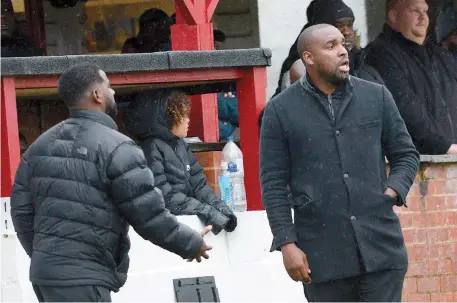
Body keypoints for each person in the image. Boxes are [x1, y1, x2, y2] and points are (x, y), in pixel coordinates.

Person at [10, 64, 212, 302]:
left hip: (46, 277)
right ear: (97, 95)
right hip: (85, 279)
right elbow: (148, 215)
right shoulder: (119, 147)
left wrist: (47, 257)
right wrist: (190, 243)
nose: (113, 92)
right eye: (108, 85)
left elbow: (21, 211)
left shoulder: (39, 146)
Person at [260, 24, 420, 302]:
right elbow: (273, 183)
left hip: (381, 250)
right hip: (322, 259)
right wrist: (286, 243)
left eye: (343, 44)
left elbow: (406, 154)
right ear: (309, 58)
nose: (343, 52)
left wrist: (392, 191)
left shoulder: (376, 96)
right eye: (331, 46)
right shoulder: (280, 110)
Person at [123, 89, 237, 235]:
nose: (188, 120)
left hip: (184, 221)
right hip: (166, 231)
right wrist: (206, 211)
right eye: (183, 115)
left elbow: (199, 185)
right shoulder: (150, 148)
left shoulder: (181, 144)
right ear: (168, 118)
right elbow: (164, 197)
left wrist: (222, 209)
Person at [365, 0, 457, 155]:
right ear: (393, 16)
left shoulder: (440, 55)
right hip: (416, 161)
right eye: (415, 11)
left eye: (425, 11)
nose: (423, 17)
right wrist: (444, 147)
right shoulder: (382, 54)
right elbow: (404, 106)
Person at [273, 0, 383, 97]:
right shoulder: (302, 63)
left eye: (349, 25)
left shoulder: (362, 60)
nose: (347, 32)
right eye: (339, 25)